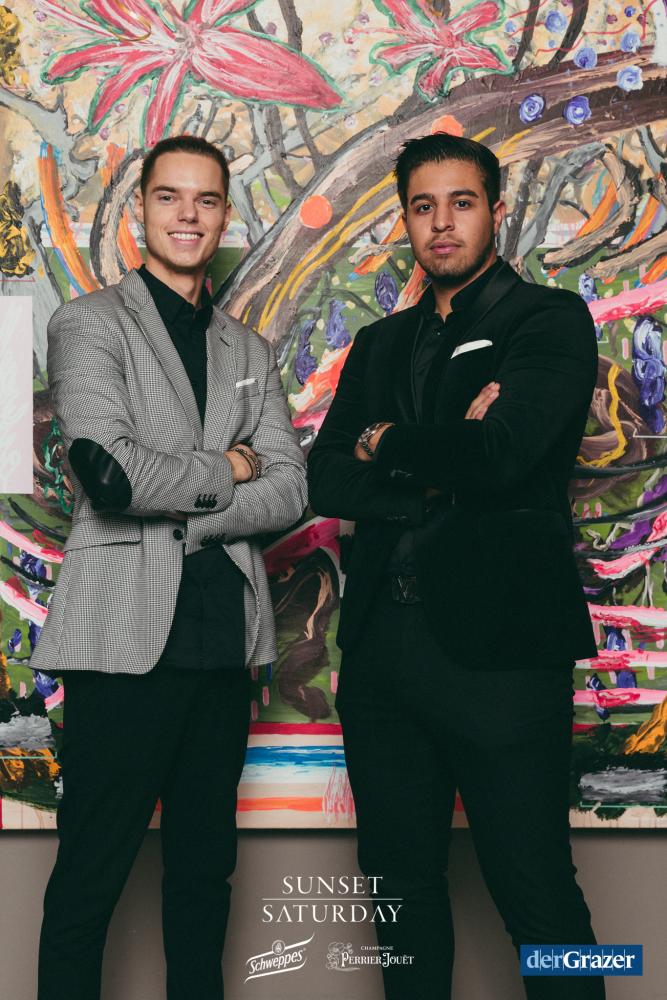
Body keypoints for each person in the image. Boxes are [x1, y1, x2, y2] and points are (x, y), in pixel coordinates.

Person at [307, 133, 603, 999]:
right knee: (398, 898)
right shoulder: (377, 343)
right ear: (405, 219)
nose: (441, 223)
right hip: (380, 657)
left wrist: (385, 440)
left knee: (540, 896)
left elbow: (502, 456)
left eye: (461, 203)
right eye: (422, 206)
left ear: (495, 212)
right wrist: (439, 462)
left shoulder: (547, 319)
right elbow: (326, 477)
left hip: (502, 654)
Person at [32, 134, 307, 1000]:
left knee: (202, 877)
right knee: (90, 879)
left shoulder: (247, 351)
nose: (188, 214)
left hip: (223, 645)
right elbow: (110, 476)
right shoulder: (89, 323)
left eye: (206, 199)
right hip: (121, 644)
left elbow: (292, 488)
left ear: (223, 218)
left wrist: (191, 505)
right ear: (139, 211)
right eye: (169, 196)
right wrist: (228, 468)